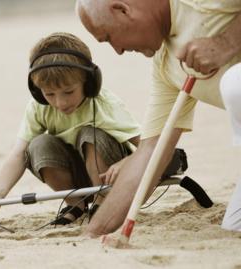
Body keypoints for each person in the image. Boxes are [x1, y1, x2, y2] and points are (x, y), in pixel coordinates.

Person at [76, 0, 241, 239]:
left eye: (109, 37)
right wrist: (93, 233)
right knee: (235, 227)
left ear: (123, 9)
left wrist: (227, 43)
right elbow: (151, 153)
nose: (118, 50)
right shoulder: (165, 66)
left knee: (235, 82)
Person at [0, 32, 141, 225]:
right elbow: (19, 153)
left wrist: (126, 163)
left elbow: (151, 145)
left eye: (69, 92)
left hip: (113, 177)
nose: (60, 103)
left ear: (89, 82)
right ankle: (75, 204)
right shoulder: (39, 107)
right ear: (37, 91)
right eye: (49, 94)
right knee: (38, 144)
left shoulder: (105, 105)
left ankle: (102, 202)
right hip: (77, 174)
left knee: (90, 134)